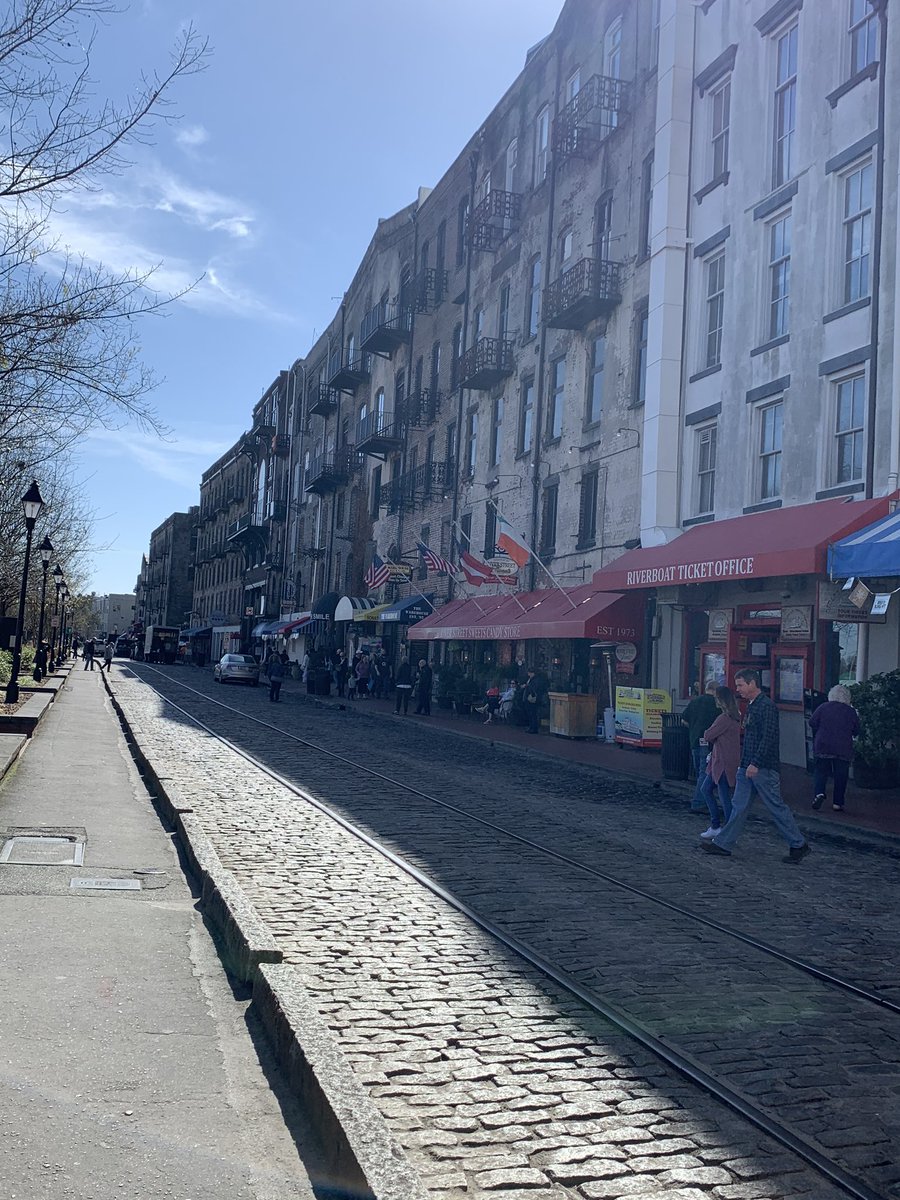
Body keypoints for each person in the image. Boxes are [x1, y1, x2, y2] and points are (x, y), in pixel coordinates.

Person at [703, 668, 810, 863]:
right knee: (739, 806)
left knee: (775, 806)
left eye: (740, 685)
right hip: (748, 766)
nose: (737, 689)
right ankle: (723, 844)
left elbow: (768, 738)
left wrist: (755, 763)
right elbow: (752, 739)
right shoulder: (752, 706)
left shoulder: (766, 706)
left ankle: (798, 844)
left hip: (762, 768)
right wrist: (745, 764)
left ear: (752, 683)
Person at [698, 686, 740, 839]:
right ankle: (717, 826)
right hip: (723, 761)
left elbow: (708, 735)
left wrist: (709, 733)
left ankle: (726, 831)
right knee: (708, 789)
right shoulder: (734, 717)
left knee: (723, 796)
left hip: (722, 763)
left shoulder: (724, 718)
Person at [810, 684, 861, 812]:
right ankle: (837, 803)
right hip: (843, 748)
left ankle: (819, 793)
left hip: (823, 745)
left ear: (831, 695)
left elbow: (812, 722)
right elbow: (857, 730)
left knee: (820, 771)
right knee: (841, 776)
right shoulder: (850, 711)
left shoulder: (823, 707)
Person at [522, 669, 544, 734]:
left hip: (532, 698)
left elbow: (534, 688)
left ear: (533, 673)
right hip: (528, 697)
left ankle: (534, 728)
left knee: (532, 713)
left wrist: (527, 686)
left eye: (529, 673)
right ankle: (531, 727)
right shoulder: (530, 679)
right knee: (530, 713)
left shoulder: (536, 680)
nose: (528, 674)